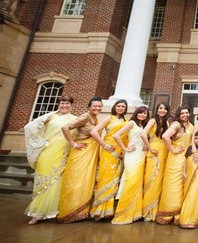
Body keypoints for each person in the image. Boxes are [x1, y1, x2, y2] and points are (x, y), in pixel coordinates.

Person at [24, 95, 77, 225]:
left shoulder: (75, 119)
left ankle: (55, 211)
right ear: (59, 104)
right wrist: (41, 141)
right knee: (43, 180)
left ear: (71, 105)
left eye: (67, 103)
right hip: (47, 153)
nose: (64, 106)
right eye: (62, 103)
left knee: (58, 182)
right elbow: (29, 128)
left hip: (63, 154)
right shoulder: (49, 117)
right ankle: (37, 214)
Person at [57, 96, 103, 223]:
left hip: (90, 153)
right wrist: (73, 143)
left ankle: (81, 212)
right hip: (80, 152)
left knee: (85, 180)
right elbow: (65, 127)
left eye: (99, 106)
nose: (97, 108)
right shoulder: (85, 117)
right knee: (75, 180)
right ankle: (69, 212)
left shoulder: (96, 118)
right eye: (95, 106)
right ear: (89, 107)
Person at [89, 99, 129, 220]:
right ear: (115, 107)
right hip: (108, 151)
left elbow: (126, 137)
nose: (121, 108)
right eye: (119, 105)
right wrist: (104, 145)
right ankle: (99, 209)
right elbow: (94, 132)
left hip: (119, 152)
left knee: (114, 179)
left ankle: (108, 210)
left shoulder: (126, 121)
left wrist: (123, 150)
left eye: (123, 106)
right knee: (105, 178)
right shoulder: (109, 118)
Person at [111, 106, 151, 225]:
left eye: (145, 113)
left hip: (142, 155)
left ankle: (135, 212)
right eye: (140, 113)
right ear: (136, 113)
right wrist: (125, 148)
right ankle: (123, 212)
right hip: (132, 154)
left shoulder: (144, 125)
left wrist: (145, 145)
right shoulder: (132, 123)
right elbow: (116, 135)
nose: (142, 115)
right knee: (130, 181)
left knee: (137, 183)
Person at [156, 106, 194, 225]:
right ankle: (168, 212)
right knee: (173, 183)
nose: (185, 115)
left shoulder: (191, 125)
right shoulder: (177, 124)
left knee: (182, 184)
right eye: (182, 113)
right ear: (178, 114)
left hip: (185, 158)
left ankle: (178, 212)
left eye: (187, 112)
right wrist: (172, 148)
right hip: (175, 157)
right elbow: (165, 136)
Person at [141, 102, 170, 222]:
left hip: (164, 152)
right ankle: (147, 211)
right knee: (151, 179)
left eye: (165, 109)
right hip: (154, 152)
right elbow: (143, 134)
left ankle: (155, 210)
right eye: (160, 108)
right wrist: (149, 147)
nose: (162, 110)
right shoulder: (152, 120)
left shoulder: (167, 122)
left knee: (159, 181)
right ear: (157, 110)